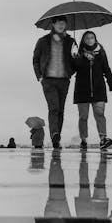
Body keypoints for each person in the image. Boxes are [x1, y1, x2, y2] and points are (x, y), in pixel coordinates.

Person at [33, 15, 78, 149]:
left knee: (61, 110)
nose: (61, 25)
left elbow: (76, 63)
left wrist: (76, 57)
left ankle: (56, 139)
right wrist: (39, 77)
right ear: (53, 24)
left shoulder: (71, 41)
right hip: (48, 80)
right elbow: (35, 59)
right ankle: (54, 133)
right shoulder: (43, 41)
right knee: (54, 108)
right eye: (58, 22)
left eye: (63, 23)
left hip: (64, 80)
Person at [72, 31, 112, 150]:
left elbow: (107, 70)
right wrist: (76, 57)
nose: (89, 40)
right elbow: (73, 68)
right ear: (83, 40)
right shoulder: (78, 52)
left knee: (100, 114)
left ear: (95, 39)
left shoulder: (101, 52)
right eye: (87, 38)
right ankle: (83, 140)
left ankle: (103, 139)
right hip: (82, 89)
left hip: (98, 89)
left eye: (91, 38)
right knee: (83, 117)